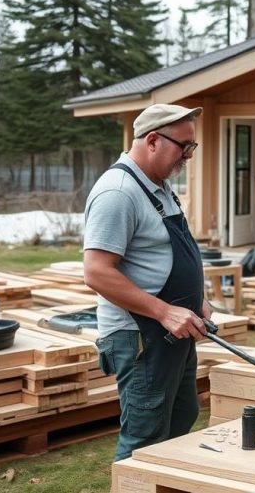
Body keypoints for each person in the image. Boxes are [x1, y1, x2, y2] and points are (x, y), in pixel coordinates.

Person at [83, 104, 210, 461]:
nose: (188, 154)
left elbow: (163, 254)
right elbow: (96, 271)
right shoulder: (118, 192)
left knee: (183, 415)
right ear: (153, 140)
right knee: (145, 437)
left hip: (171, 330)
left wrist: (194, 299)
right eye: (183, 145)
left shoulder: (159, 186)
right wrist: (166, 311)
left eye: (192, 146)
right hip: (141, 335)